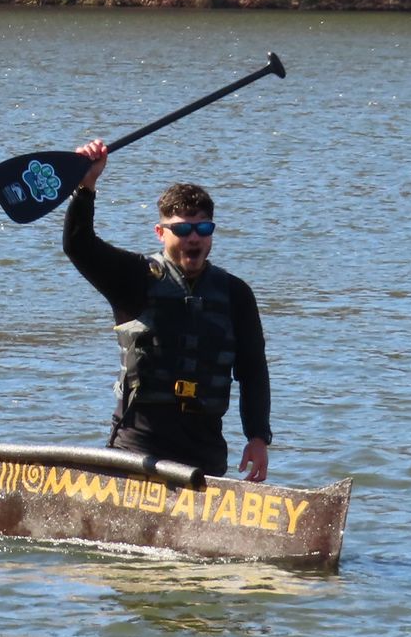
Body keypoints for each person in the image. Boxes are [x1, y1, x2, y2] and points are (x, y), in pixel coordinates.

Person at [61, 139, 270, 481]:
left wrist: (258, 437)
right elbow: (78, 245)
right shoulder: (134, 278)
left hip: (204, 455)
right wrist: (85, 187)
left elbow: (253, 370)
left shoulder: (236, 294)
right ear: (160, 232)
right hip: (137, 451)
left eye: (203, 229)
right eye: (182, 229)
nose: (193, 238)